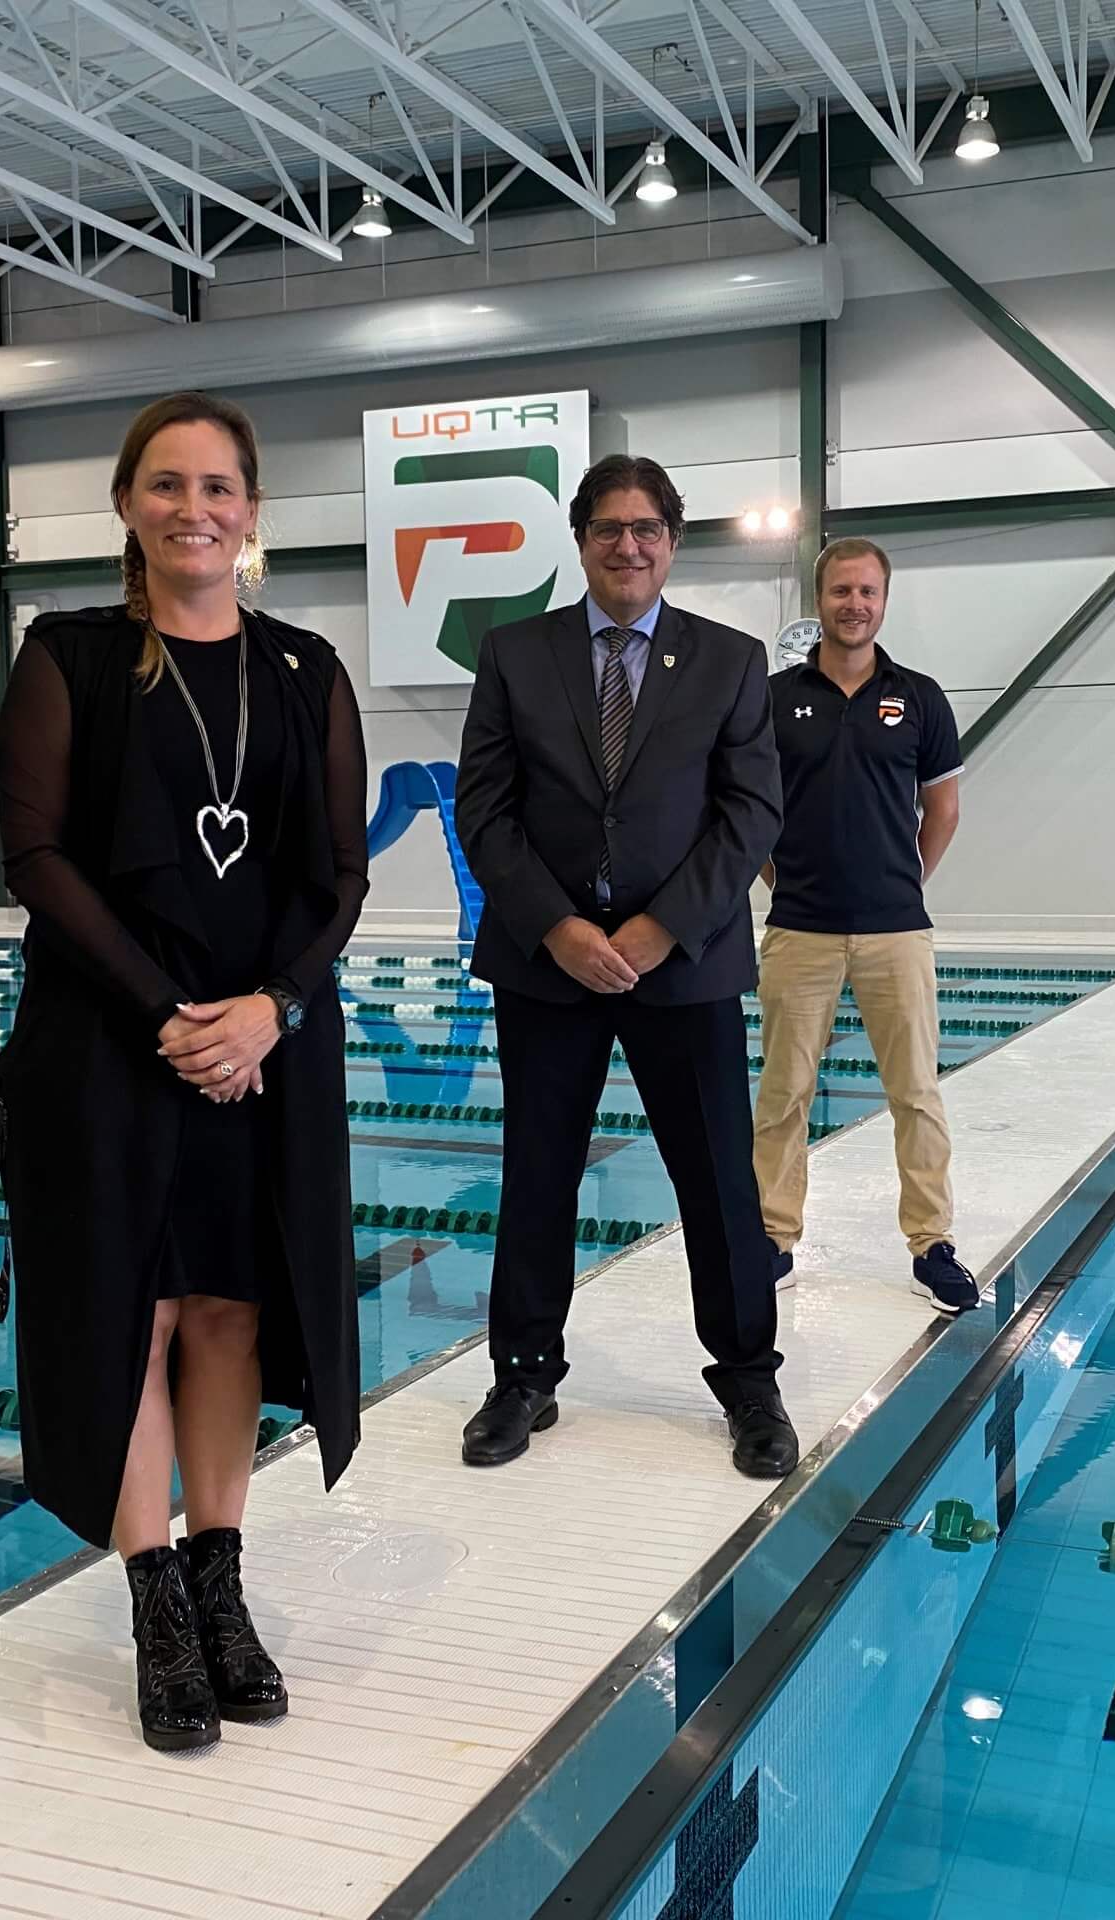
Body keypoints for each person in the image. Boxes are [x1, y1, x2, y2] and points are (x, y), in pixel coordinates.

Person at [0, 391, 369, 1753]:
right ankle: (153, 1600)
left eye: (217, 485)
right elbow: (35, 856)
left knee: (226, 1310)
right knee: (132, 1314)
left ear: (252, 511)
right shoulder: (70, 656)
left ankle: (223, 1582)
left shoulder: (305, 671)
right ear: (128, 506)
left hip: (258, 1052)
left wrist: (267, 1008)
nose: (192, 507)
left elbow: (339, 874)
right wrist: (166, 1014)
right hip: (105, 1046)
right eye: (165, 484)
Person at [453, 452, 794, 1478]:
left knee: (717, 1180)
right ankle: (522, 1374)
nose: (628, 545)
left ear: (672, 542)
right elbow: (484, 806)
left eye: (647, 528)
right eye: (609, 528)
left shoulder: (730, 661)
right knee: (537, 1173)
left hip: (680, 968)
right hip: (546, 964)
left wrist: (659, 931)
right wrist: (557, 927)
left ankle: (747, 1379)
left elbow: (750, 813)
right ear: (582, 540)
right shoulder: (515, 654)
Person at [753, 537, 978, 1314]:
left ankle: (932, 1242)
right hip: (800, 928)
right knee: (783, 1091)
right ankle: (773, 1234)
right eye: (841, 591)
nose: (855, 604)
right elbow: (749, 814)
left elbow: (942, 808)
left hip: (895, 929)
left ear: (885, 601)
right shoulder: (776, 700)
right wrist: (783, 880)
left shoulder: (919, 697)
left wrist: (903, 884)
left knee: (915, 1091)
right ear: (819, 601)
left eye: (868, 592)